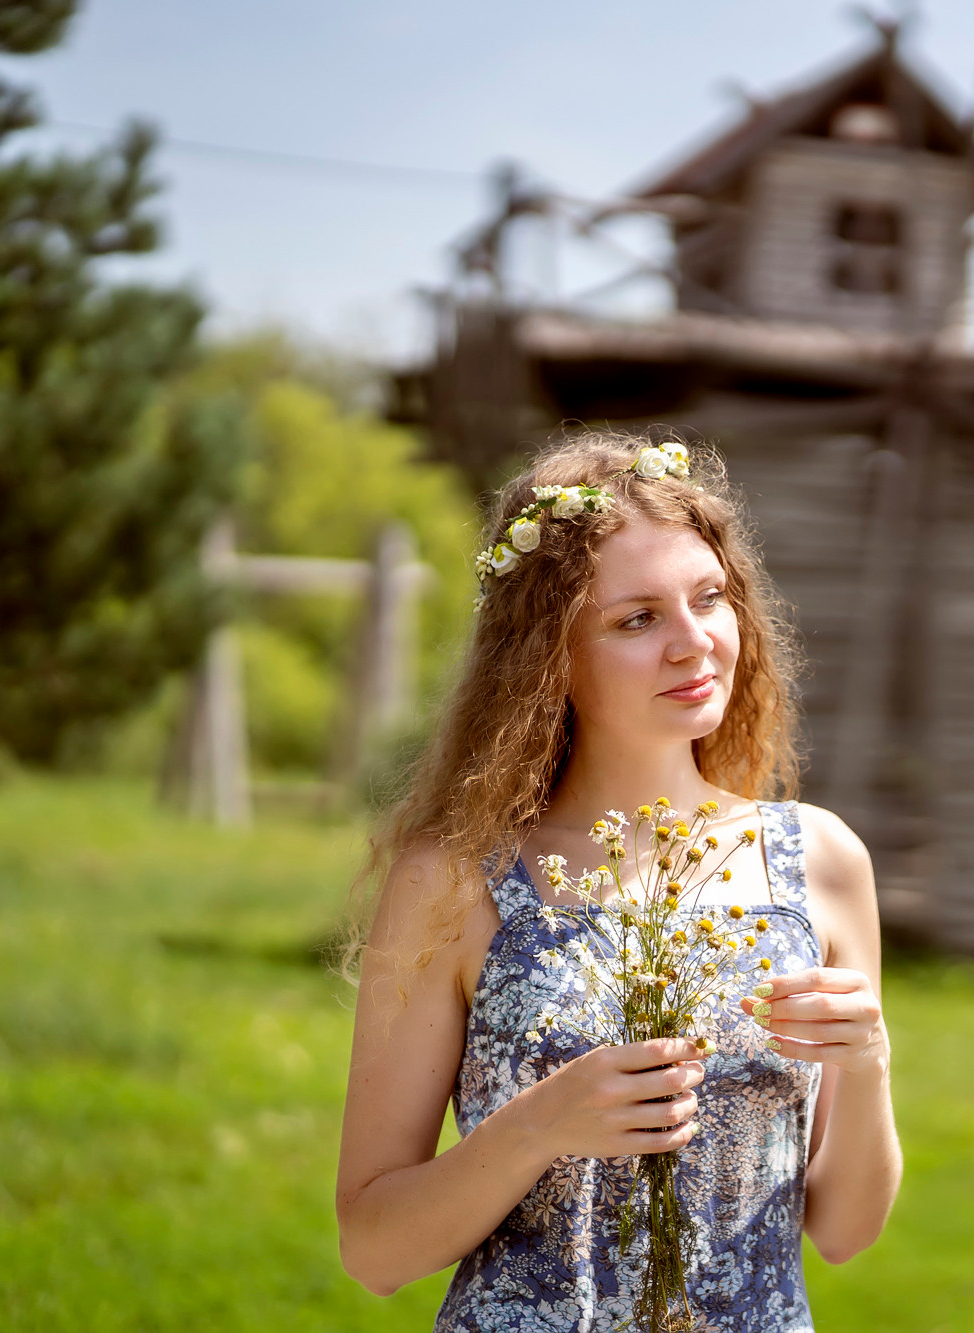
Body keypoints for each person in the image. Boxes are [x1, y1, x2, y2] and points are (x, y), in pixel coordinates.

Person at [335, 432, 901, 1332]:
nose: (694, 643)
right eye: (637, 618)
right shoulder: (454, 882)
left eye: (710, 599)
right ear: (547, 658)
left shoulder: (820, 861)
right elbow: (372, 1248)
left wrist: (866, 1063)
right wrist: (538, 1126)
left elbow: (843, 1229)